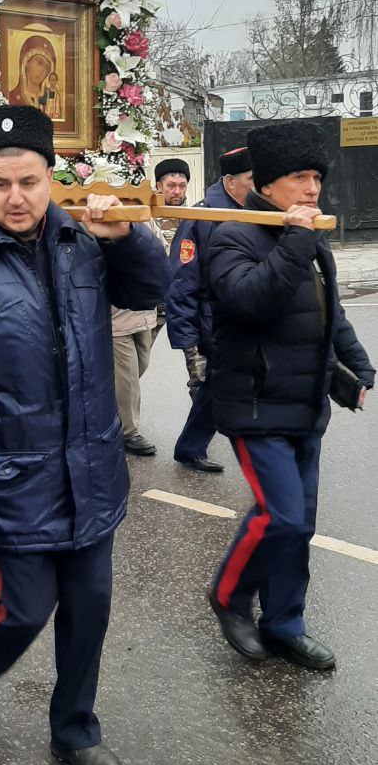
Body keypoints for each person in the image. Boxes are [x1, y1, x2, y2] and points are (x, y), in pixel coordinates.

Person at [0, 105, 168, 765]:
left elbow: (153, 290)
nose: (15, 197)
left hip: (92, 467)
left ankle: (75, 730)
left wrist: (128, 239)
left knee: (89, 610)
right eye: (0, 183)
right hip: (9, 473)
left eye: (29, 182)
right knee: (24, 607)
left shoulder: (85, 242)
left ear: (50, 178)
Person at [206, 121, 374, 669]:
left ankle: (284, 624)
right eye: (299, 177)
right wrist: (297, 240)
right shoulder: (233, 235)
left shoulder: (310, 236)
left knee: (300, 525)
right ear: (267, 184)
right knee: (281, 516)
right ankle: (229, 595)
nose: (311, 188)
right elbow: (251, 302)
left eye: (317, 178)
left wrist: (357, 365)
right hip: (255, 404)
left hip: (304, 403)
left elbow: (329, 311)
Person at [166, 147, 253, 473]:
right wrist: (188, 341)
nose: (258, 187)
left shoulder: (253, 211)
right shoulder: (202, 217)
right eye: (251, 180)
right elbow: (182, 280)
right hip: (213, 322)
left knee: (216, 389)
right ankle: (260, 461)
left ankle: (190, 447)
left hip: (243, 316)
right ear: (229, 181)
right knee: (229, 388)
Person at [111, 221, 168, 457]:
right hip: (116, 317)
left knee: (139, 367)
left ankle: (111, 411)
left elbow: (162, 252)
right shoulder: (102, 219)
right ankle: (129, 432)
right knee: (128, 378)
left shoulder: (145, 219)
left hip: (144, 312)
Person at [8, 34, 62, 118]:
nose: (42, 71)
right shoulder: (11, 97)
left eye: (47, 68)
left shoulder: (51, 98)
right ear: (26, 62)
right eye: (39, 63)